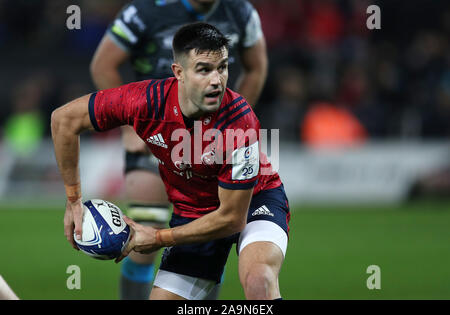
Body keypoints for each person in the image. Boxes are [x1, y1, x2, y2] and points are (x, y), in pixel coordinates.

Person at [52, 22, 288, 300]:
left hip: (255, 202)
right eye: (204, 69)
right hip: (193, 211)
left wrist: (158, 238)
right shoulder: (144, 101)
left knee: (258, 281)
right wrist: (74, 200)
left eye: (222, 67)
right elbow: (64, 119)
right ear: (179, 73)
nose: (217, 80)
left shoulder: (239, 122)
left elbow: (232, 218)